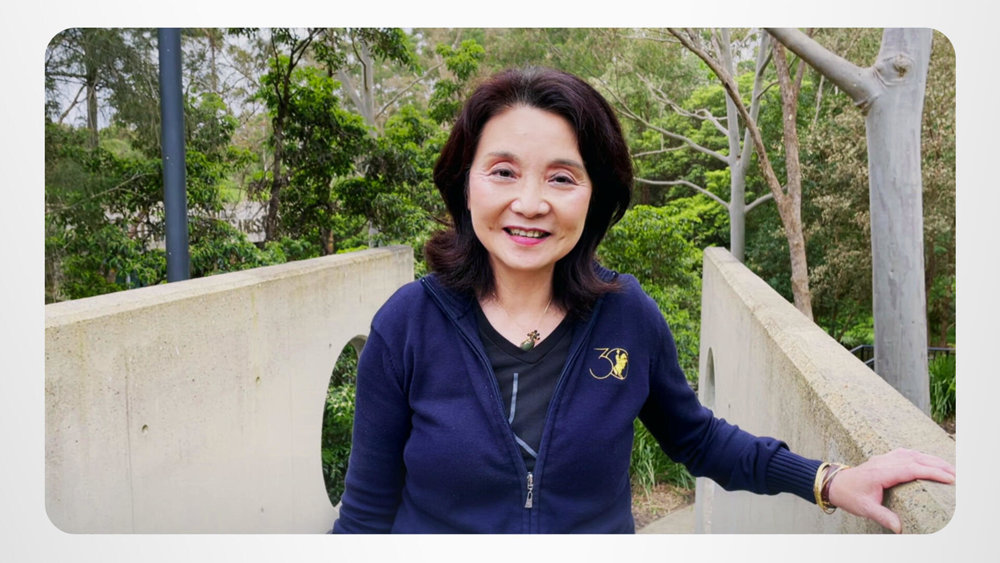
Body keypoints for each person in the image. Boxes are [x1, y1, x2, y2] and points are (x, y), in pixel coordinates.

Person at [331, 67, 955, 534]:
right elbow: (364, 516)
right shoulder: (407, 325)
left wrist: (828, 480)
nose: (530, 202)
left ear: (595, 196)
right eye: (503, 171)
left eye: (561, 177)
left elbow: (698, 439)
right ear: (464, 183)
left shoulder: (626, 315)